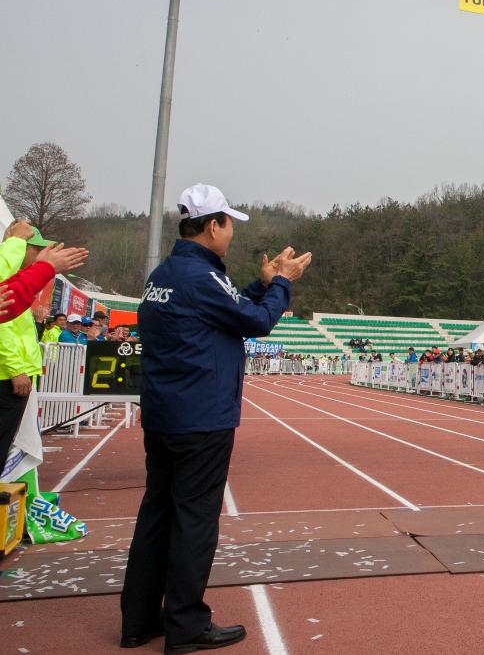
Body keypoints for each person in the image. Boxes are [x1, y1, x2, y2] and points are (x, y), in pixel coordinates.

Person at [120, 183, 311, 653]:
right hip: (201, 416)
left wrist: (263, 285)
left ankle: (139, 620)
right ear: (211, 226)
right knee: (195, 521)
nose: (231, 234)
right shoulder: (200, 278)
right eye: (228, 224)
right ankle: (185, 624)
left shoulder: (167, 274)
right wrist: (283, 284)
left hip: (165, 413)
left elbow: (223, 309)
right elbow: (255, 322)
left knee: (157, 515)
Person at [1, 223, 88, 460]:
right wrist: (16, 368)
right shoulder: (8, 270)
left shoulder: (15, 277)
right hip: (7, 376)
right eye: (36, 249)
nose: (39, 254)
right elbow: (3, 326)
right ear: (25, 248)